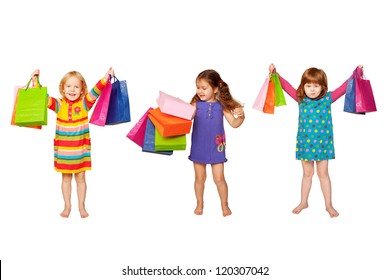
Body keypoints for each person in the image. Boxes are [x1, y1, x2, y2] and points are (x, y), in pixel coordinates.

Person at [269, 64, 364, 218]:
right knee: (307, 174)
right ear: (303, 87)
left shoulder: (328, 99)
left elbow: (344, 87)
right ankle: (303, 202)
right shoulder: (301, 99)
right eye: (308, 86)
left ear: (322, 87)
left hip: (323, 145)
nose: (312, 89)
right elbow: (286, 86)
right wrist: (275, 74)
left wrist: (357, 73)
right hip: (306, 144)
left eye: (316, 86)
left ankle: (328, 205)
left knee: (323, 174)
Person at [31, 67, 115, 218]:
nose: (72, 89)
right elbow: (43, 97)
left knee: (81, 178)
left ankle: (81, 206)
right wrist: (35, 81)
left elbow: (96, 91)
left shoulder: (84, 104)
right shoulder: (59, 105)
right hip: (64, 152)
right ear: (62, 89)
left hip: (80, 151)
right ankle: (67, 206)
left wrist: (105, 78)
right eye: (68, 86)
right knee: (66, 179)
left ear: (82, 89)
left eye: (76, 86)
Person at [188, 69, 245, 217]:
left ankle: (224, 205)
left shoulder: (221, 105)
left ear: (215, 89)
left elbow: (234, 123)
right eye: (198, 87)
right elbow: (187, 117)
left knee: (219, 178)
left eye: (204, 88)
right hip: (199, 146)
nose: (200, 91)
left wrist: (241, 117)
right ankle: (199, 204)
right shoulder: (196, 103)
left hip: (216, 146)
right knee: (199, 178)